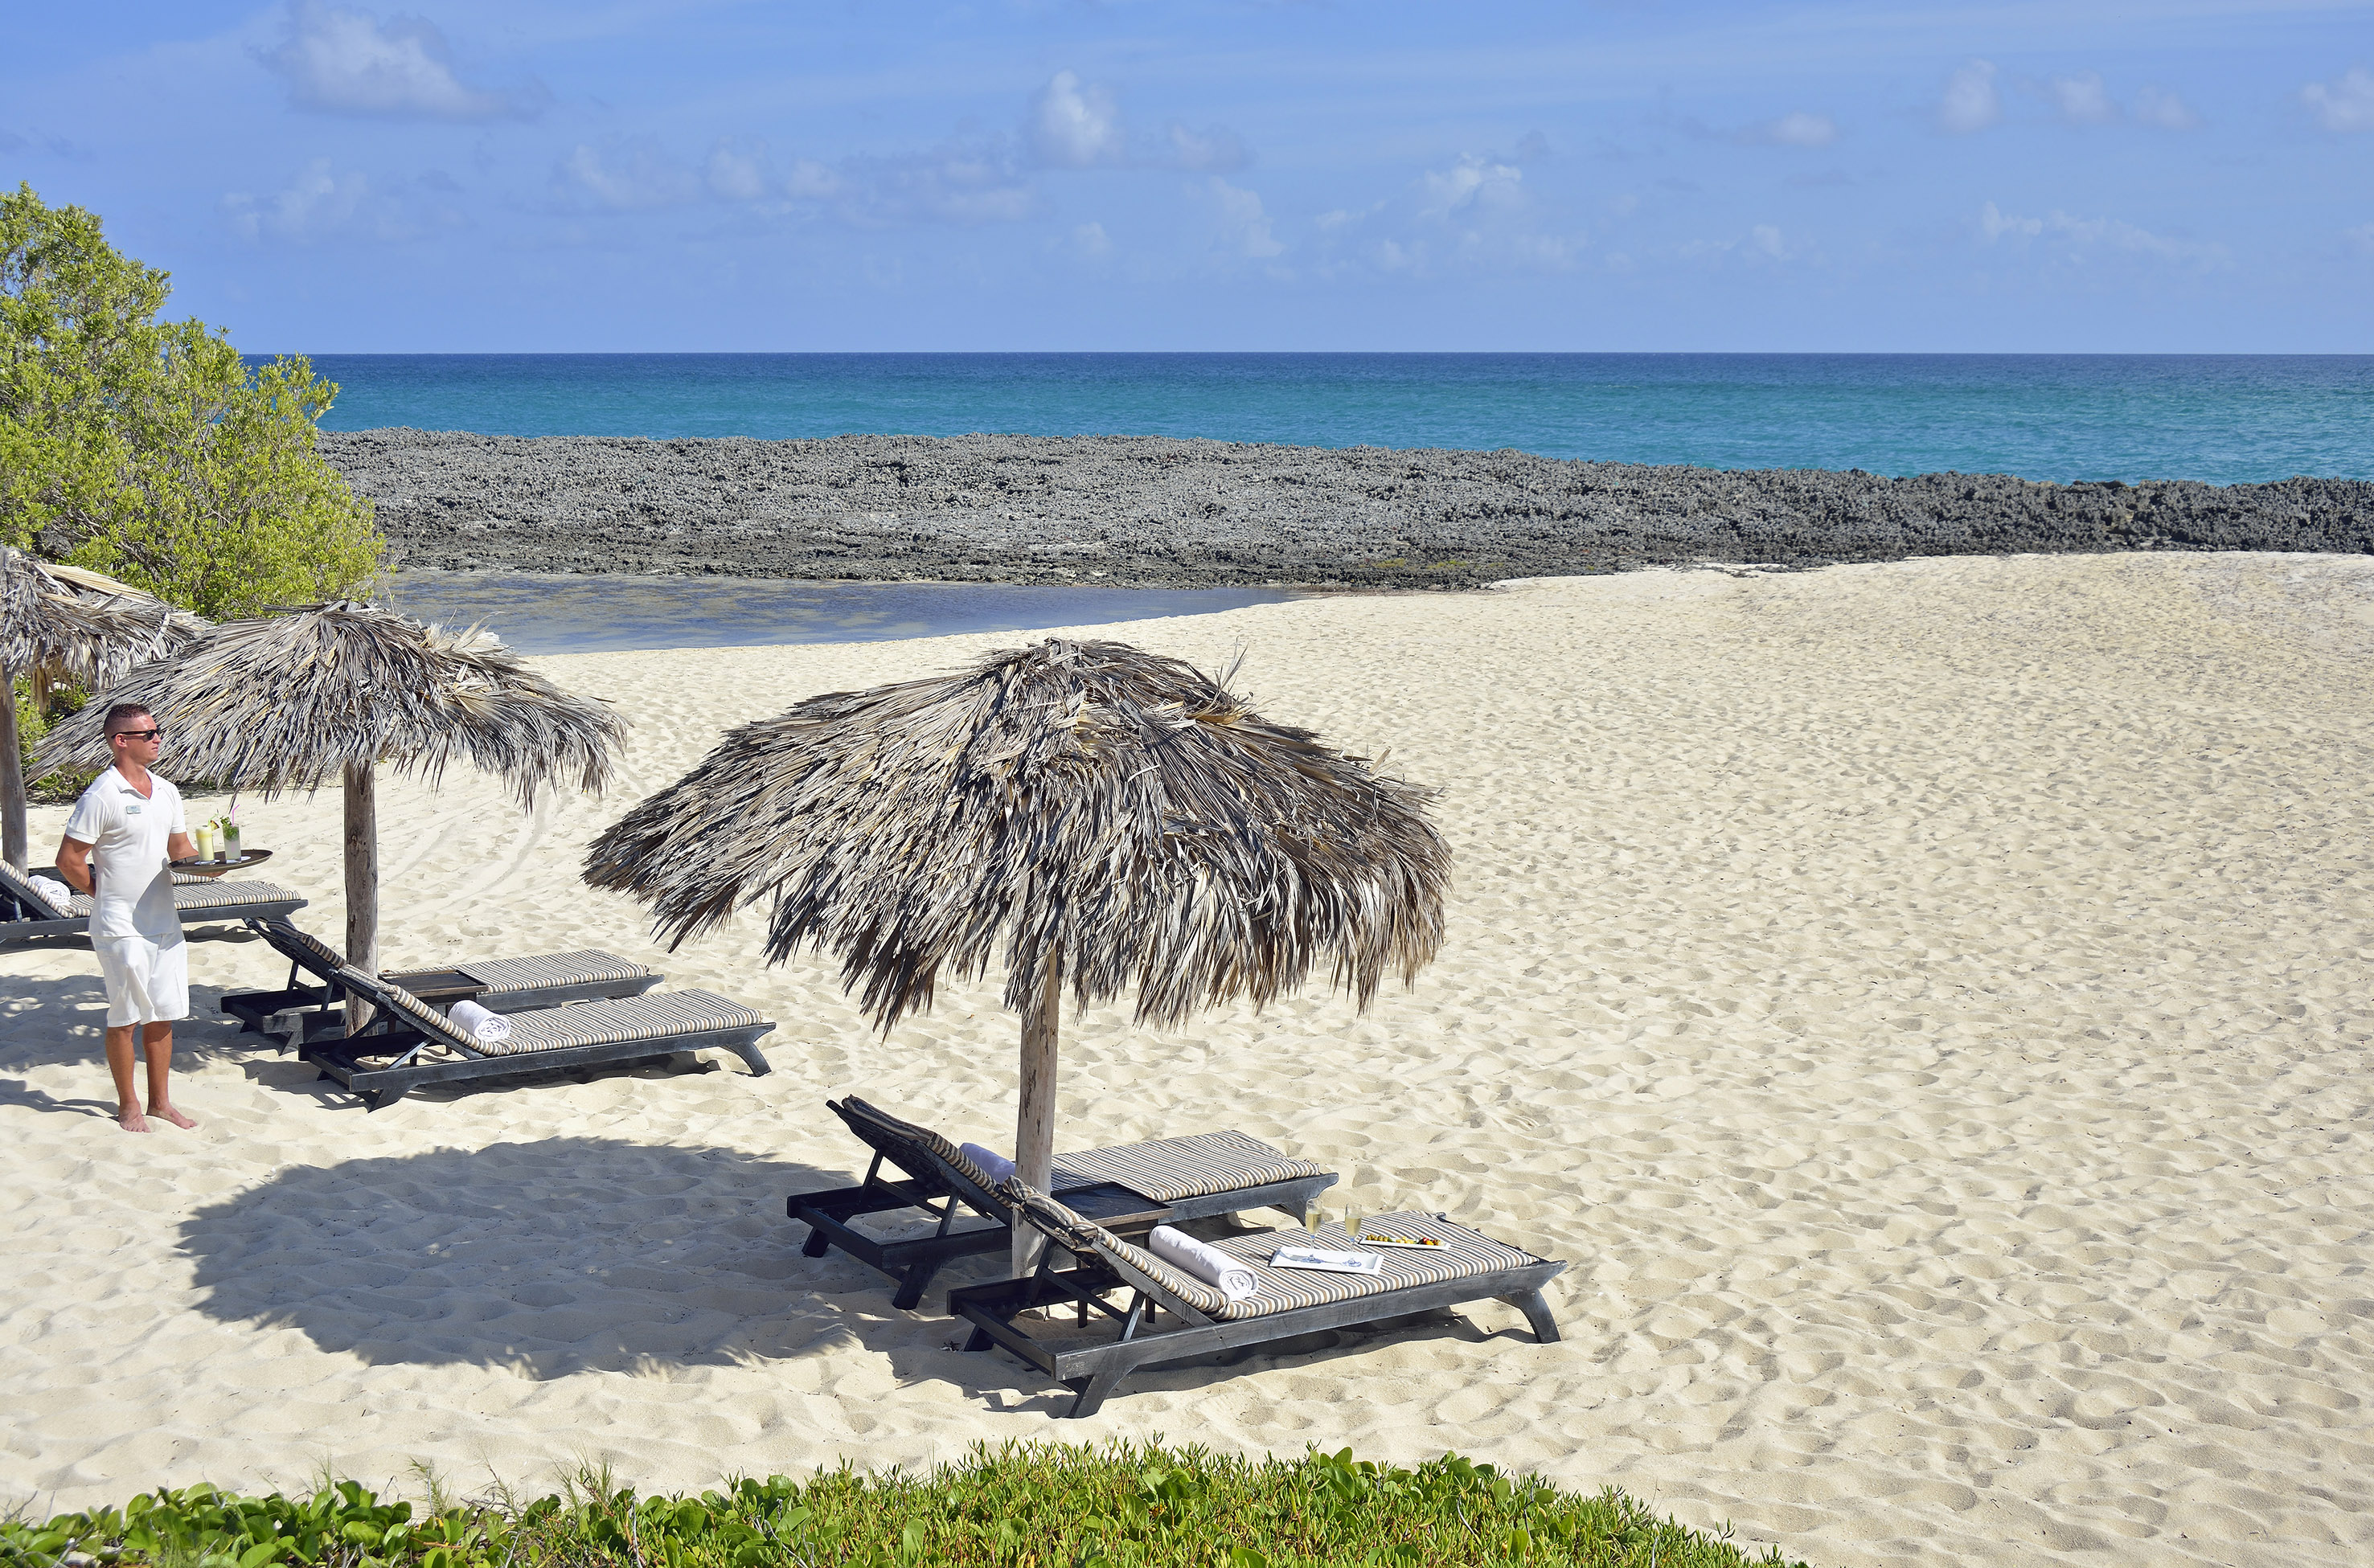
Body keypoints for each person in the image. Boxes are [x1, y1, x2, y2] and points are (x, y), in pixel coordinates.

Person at [55, 703, 199, 1133]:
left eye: (159, 731)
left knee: (163, 1013)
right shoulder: (102, 794)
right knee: (127, 1015)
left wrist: (218, 861)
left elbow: (181, 852)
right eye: (149, 733)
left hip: (164, 922)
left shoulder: (167, 790)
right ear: (122, 741)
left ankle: (160, 1103)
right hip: (120, 926)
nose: (158, 738)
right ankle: (128, 1105)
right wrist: (102, 895)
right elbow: (68, 859)